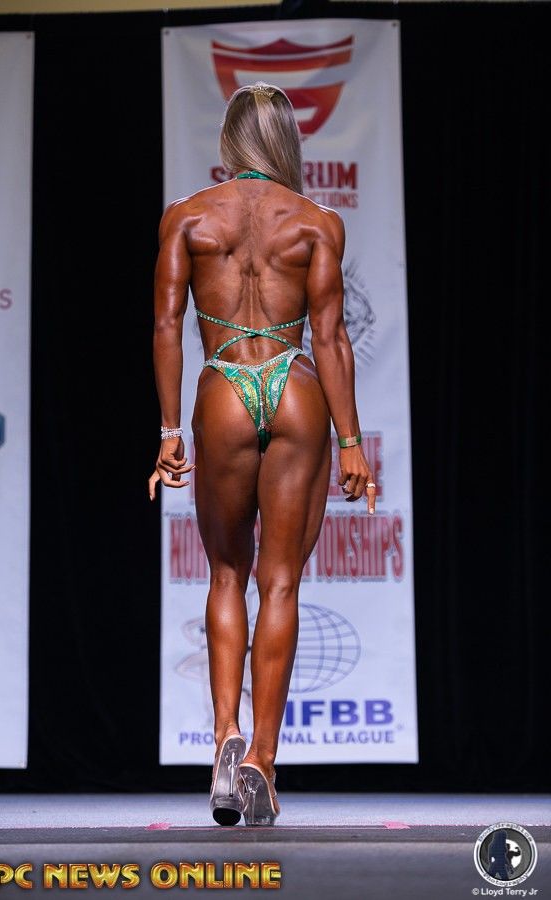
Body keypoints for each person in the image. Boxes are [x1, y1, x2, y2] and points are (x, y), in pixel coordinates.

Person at [149, 82, 376, 827]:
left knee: (226, 573)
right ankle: (262, 762)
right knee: (280, 583)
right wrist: (351, 442)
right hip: (296, 388)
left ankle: (224, 736)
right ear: (286, 145)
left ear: (228, 143)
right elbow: (331, 338)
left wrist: (169, 432)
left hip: (222, 386)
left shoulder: (188, 217)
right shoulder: (316, 223)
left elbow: (166, 325)